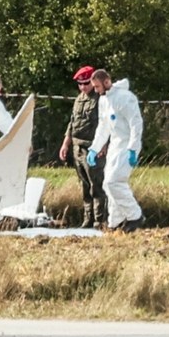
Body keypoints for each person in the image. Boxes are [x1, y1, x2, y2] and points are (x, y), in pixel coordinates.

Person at [86, 69, 145, 232]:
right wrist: (94, 148)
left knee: (114, 182)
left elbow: (136, 124)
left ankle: (135, 215)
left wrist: (133, 148)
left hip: (127, 145)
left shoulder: (125, 98)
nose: (95, 90)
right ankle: (115, 222)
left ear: (106, 82)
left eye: (97, 87)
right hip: (115, 145)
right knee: (108, 185)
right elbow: (103, 127)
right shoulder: (103, 100)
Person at [59, 65, 108, 228]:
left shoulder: (100, 98)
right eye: (80, 84)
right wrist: (65, 144)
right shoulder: (79, 99)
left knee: (96, 185)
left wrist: (103, 145)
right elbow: (72, 123)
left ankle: (99, 220)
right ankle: (88, 219)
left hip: (92, 147)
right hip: (77, 147)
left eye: (86, 83)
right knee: (85, 185)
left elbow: (105, 124)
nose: (83, 87)